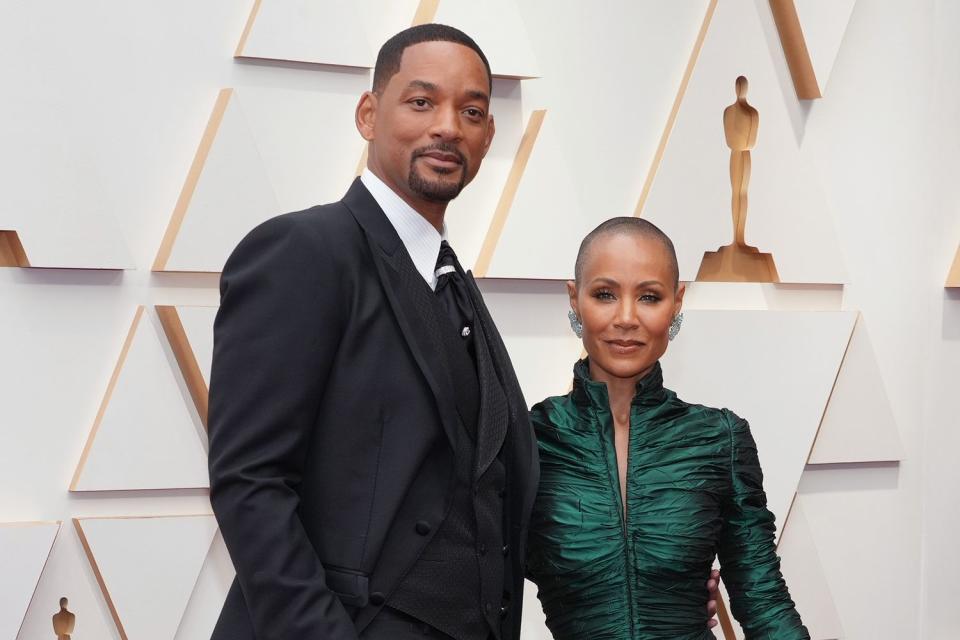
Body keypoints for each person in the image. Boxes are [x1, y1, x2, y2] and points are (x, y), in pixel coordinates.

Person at [207, 24, 538, 640]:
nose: (447, 126)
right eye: (422, 102)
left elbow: (490, 488)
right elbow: (250, 484)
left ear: (487, 138)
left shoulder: (455, 284)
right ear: (368, 114)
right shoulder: (303, 251)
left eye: (471, 111)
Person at [526, 217, 809, 639]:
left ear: (676, 303)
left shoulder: (719, 438)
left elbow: (763, 600)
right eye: (605, 294)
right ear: (575, 299)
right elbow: (480, 587)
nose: (626, 318)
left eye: (649, 297)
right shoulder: (528, 440)